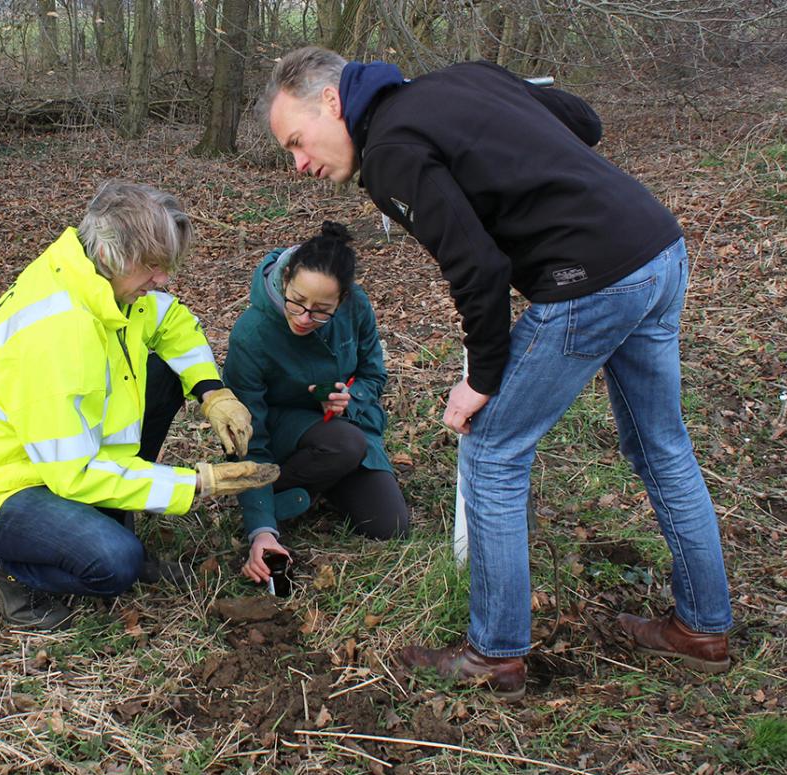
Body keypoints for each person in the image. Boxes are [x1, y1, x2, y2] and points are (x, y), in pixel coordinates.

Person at [260, 48, 733, 699]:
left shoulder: (392, 151)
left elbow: (477, 269)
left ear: (333, 104)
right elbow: (583, 120)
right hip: (656, 249)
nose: (300, 163)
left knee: (491, 450)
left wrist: (481, 378)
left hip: (589, 282)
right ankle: (703, 628)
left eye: (297, 141)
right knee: (662, 444)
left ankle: (495, 655)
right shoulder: (464, 79)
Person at [0, 180, 278, 630]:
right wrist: (194, 484)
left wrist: (212, 392)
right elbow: (73, 473)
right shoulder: (58, 333)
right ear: (114, 253)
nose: (162, 280)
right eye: (153, 266)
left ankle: (102, 520)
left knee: (167, 374)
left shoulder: (104, 284)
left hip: (52, 461)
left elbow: (170, 319)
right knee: (116, 563)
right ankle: (8, 566)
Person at [225, 221, 411, 586]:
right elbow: (248, 437)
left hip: (344, 427)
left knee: (390, 526)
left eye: (322, 310)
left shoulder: (356, 307)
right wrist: (262, 530)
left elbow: (373, 375)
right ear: (286, 279)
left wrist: (350, 397)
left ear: (342, 300)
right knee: (345, 443)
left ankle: (320, 481)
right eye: (297, 301)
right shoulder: (251, 335)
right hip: (283, 434)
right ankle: (270, 495)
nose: (305, 317)